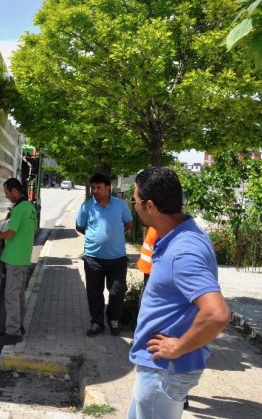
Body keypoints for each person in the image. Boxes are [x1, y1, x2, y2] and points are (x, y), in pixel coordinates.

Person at [128, 167, 230, 419]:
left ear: (150, 206)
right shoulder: (183, 234)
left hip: (164, 369)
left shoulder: (182, 251)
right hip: (161, 369)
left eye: (135, 200)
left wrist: (179, 347)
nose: (135, 206)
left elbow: (217, 314)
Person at [76, 172, 133, 337]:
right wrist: (95, 236)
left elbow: (128, 224)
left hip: (117, 258)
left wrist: (114, 235)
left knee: (117, 291)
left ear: (108, 188)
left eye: (98, 187)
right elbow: (80, 227)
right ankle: (97, 323)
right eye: (93, 187)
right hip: (93, 258)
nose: (95, 190)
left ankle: (113, 319)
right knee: (94, 293)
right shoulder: (86, 207)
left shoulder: (121, 205)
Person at [0, 177, 37, 346]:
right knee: (18, 295)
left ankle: (13, 332)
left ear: (15, 191)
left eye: (6, 193)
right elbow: (33, 232)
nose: (6, 196)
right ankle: (18, 326)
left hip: (15, 258)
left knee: (11, 295)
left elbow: (11, 233)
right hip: (23, 257)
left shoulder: (19, 209)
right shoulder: (31, 208)